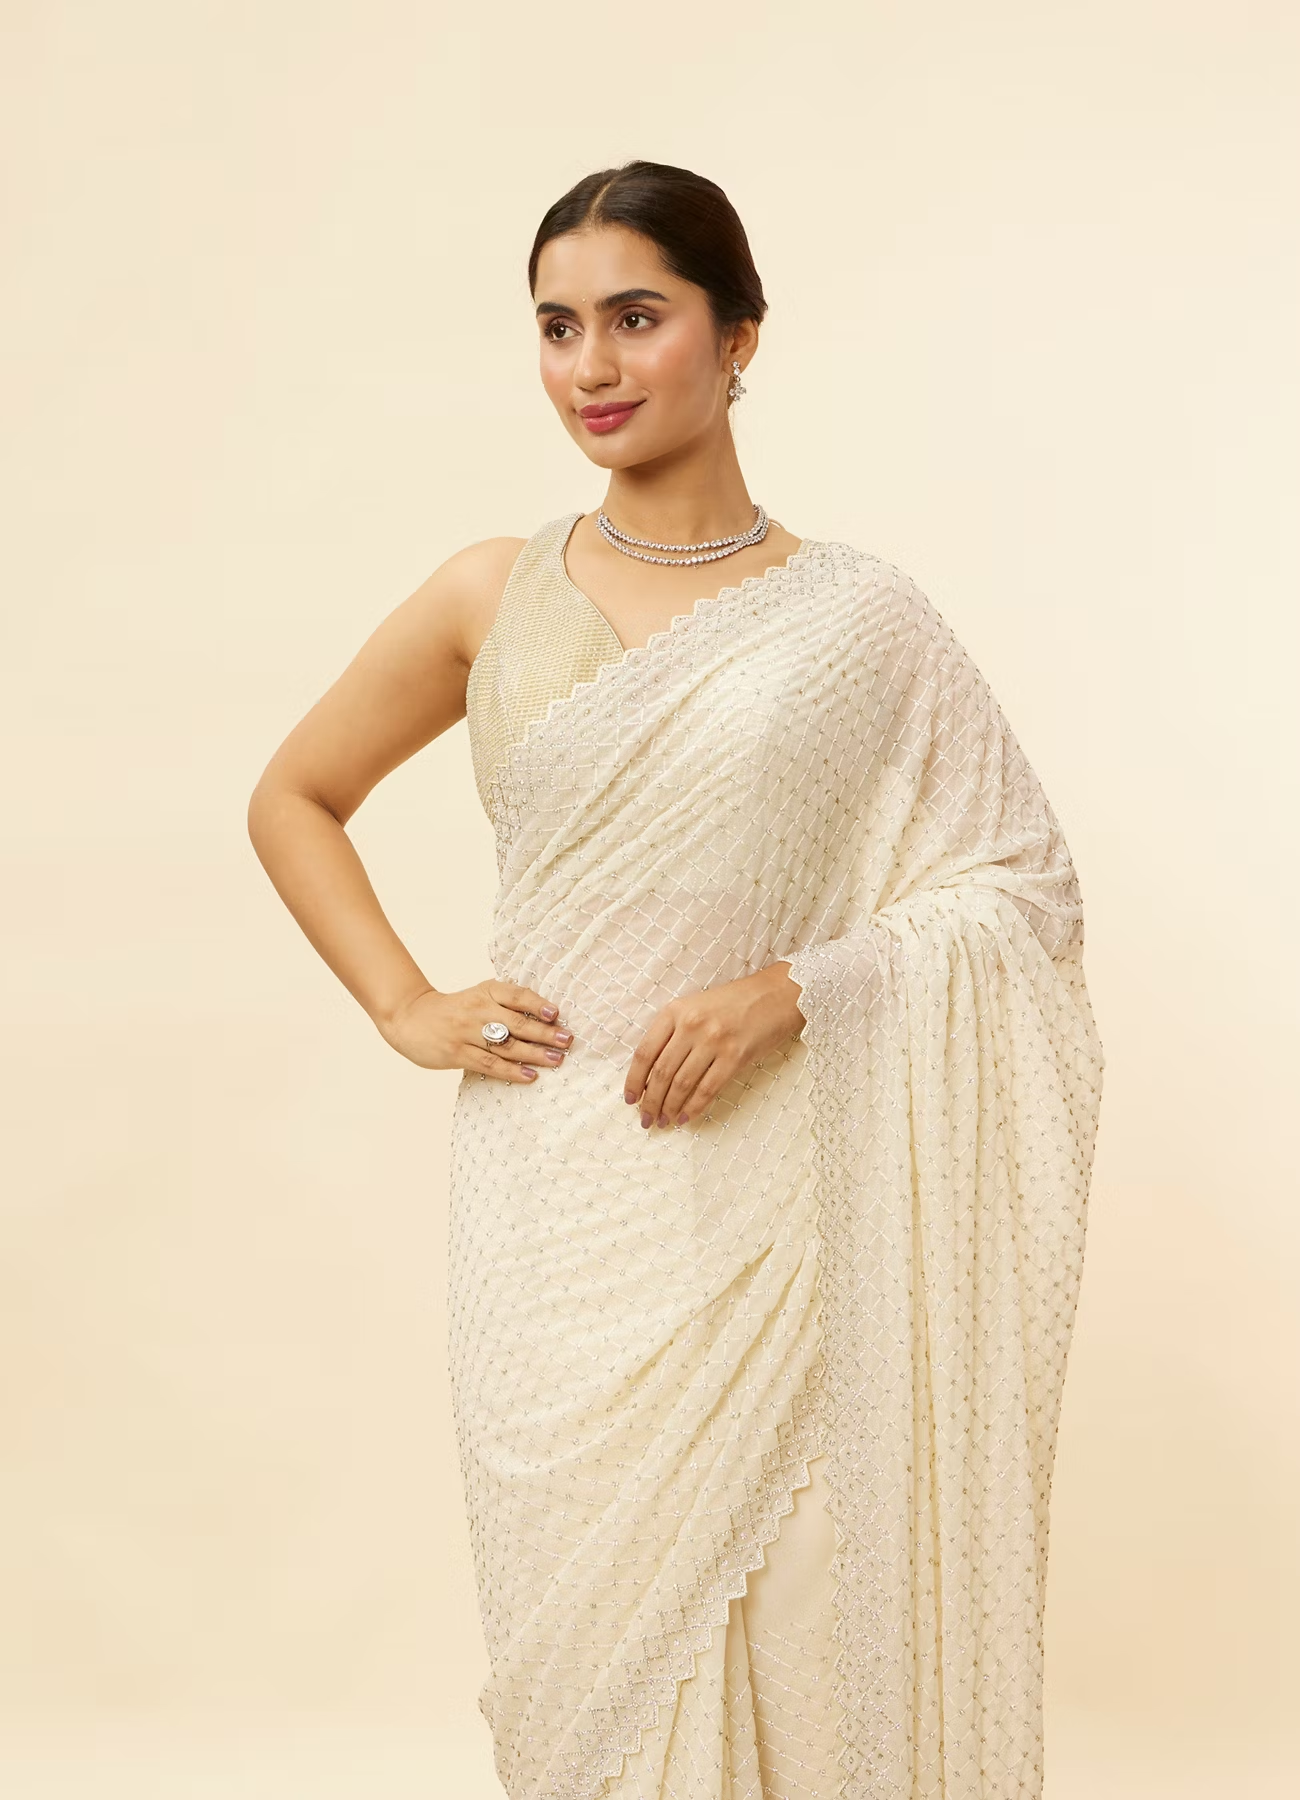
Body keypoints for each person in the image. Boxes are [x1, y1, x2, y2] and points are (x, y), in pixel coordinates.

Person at [248, 160, 1104, 1800]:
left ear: (739, 338)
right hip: (553, 1206)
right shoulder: (490, 593)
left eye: (636, 318)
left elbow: (1023, 889)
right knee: (585, 1660)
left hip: (780, 1207)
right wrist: (405, 1005)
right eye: (557, 326)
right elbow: (295, 796)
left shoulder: (857, 619)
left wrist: (796, 988)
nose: (592, 366)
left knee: (802, 1622)